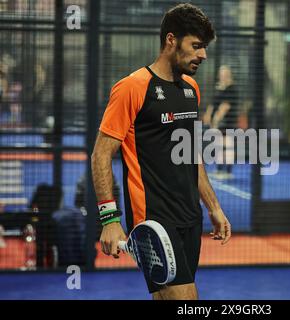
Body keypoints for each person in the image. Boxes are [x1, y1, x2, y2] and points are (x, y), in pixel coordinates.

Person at [91, 3, 231, 300]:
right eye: (196, 46)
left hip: (190, 218)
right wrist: (110, 220)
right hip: (154, 222)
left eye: (204, 47)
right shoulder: (131, 88)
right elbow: (101, 154)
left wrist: (213, 207)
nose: (203, 55)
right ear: (171, 40)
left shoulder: (191, 89)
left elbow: (191, 154)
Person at [203, 65, 238, 179]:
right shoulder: (219, 88)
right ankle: (219, 169)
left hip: (227, 122)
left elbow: (225, 106)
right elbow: (213, 102)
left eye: (224, 74)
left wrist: (216, 119)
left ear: (229, 75)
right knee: (218, 145)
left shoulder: (232, 89)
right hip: (217, 124)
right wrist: (208, 114)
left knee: (227, 145)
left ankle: (228, 171)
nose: (222, 76)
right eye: (221, 74)